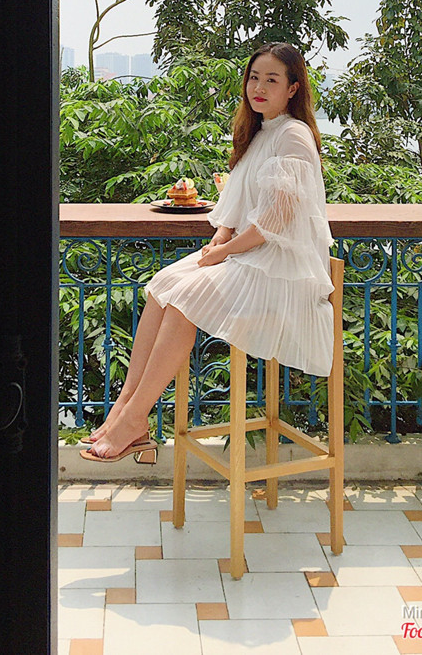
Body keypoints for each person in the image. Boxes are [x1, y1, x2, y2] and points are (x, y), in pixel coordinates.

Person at [79, 42, 335, 464]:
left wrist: (225, 250)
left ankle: (134, 418)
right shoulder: (259, 134)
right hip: (250, 257)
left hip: (285, 271)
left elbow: (277, 219)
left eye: (272, 80)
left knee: (185, 300)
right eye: (254, 78)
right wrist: (221, 238)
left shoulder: (292, 135)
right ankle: (124, 408)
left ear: (293, 88)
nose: (259, 88)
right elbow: (237, 208)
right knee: (162, 286)